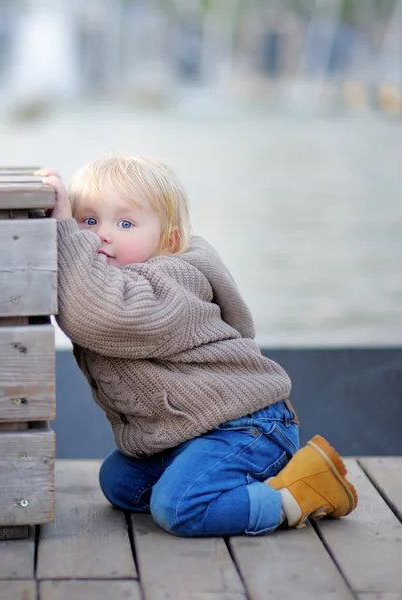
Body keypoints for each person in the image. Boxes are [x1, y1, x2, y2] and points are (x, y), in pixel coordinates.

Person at [37, 155, 357, 537]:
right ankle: (221, 488)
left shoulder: (170, 283)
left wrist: (65, 232)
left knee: (178, 508)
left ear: (168, 240)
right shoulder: (116, 280)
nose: (101, 235)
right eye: (88, 221)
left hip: (245, 427)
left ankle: (296, 496)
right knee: (119, 480)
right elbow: (89, 295)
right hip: (189, 432)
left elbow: (99, 312)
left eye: (124, 223)